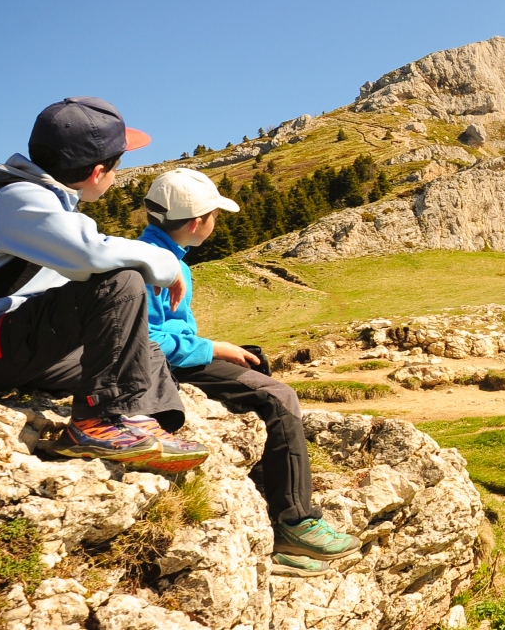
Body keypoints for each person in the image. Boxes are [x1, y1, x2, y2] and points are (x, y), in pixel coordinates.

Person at [0, 97, 209, 475]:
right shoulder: (19, 199)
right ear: (98, 173)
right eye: (118, 164)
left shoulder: (38, 200)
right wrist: (167, 264)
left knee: (139, 344)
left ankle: (147, 425)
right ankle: (100, 423)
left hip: (12, 348)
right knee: (121, 281)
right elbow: (92, 256)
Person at [139, 167, 361, 577]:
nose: (216, 223)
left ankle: (276, 507)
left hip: (173, 360)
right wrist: (210, 348)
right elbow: (147, 342)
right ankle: (296, 523)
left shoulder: (158, 255)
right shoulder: (157, 265)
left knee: (256, 361)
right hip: (163, 367)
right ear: (197, 223)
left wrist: (215, 349)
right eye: (214, 215)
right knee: (280, 397)